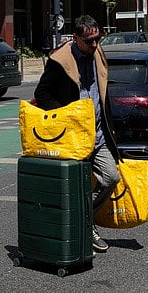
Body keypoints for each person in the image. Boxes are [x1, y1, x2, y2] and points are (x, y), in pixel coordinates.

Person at [34, 14, 121, 253]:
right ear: (75, 38)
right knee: (76, 186)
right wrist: (65, 114)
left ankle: (82, 219)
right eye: (88, 41)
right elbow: (41, 93)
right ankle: (83, 228)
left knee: (111, 177)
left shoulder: (98, 53)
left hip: (98, 134)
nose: (94, 45)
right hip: (72, 136)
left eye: (97, 39)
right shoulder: (59, 61)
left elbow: (102, 93)